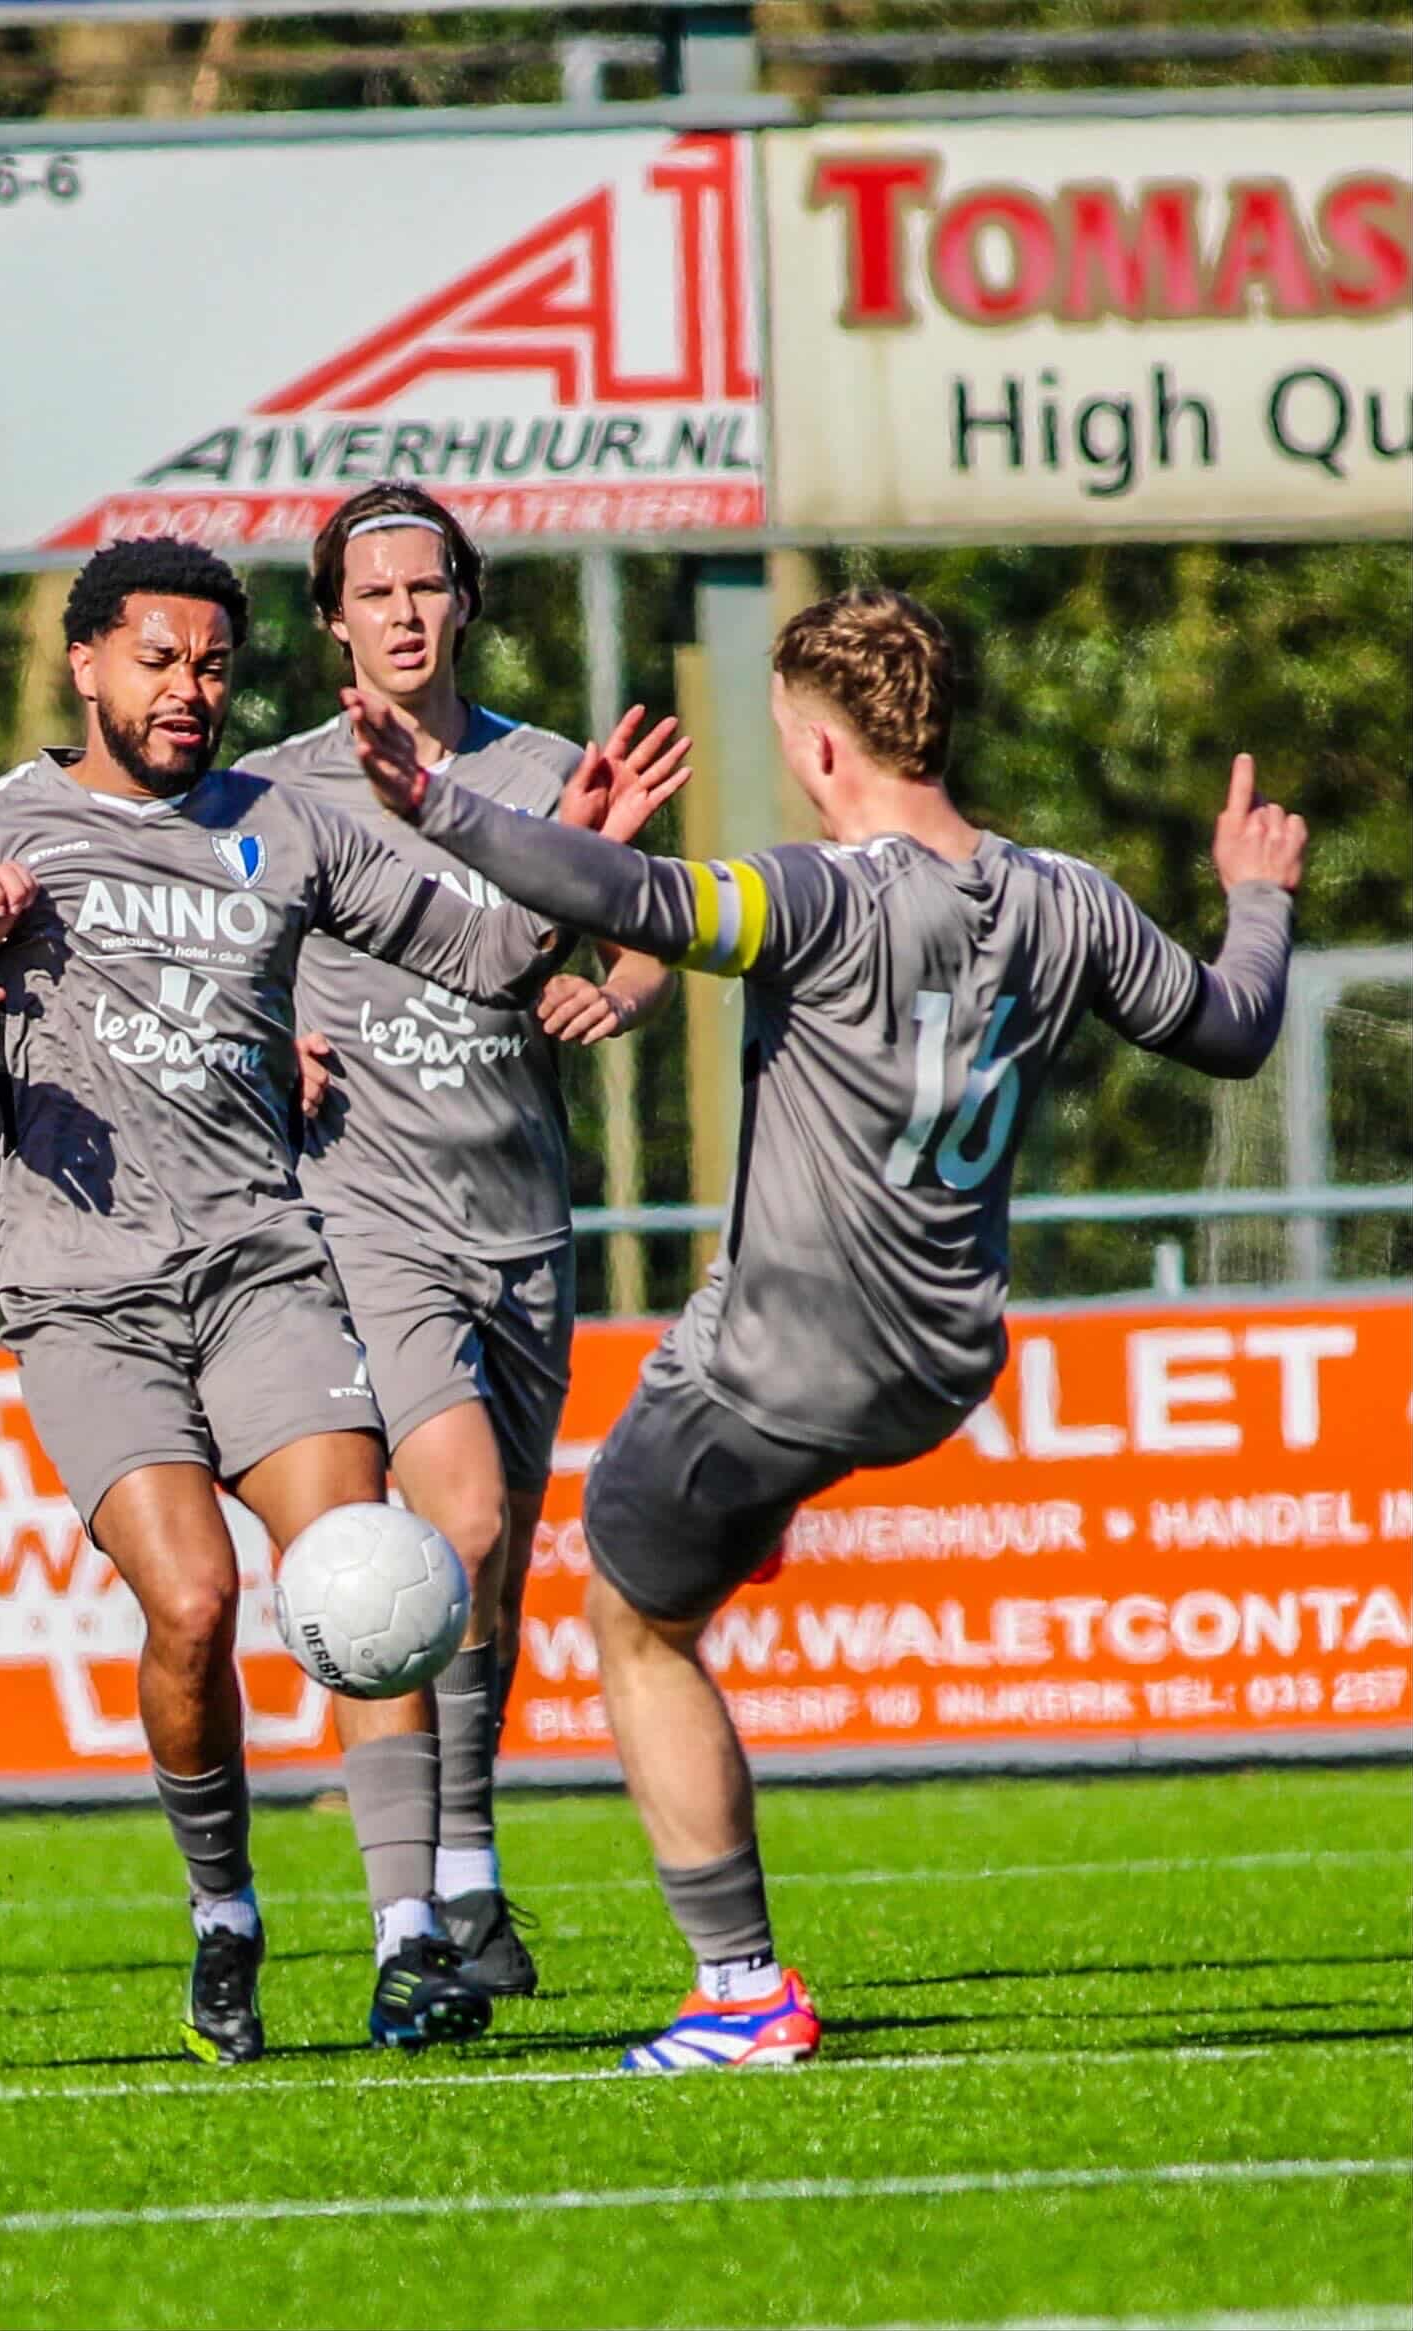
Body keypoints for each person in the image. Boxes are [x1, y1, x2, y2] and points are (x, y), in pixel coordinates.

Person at [350, 585, 1298, 2071]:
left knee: (626, 1607)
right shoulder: (1068, 896)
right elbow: (1230, 1027)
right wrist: (1254, 892)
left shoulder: (817, 894)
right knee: (698, 1507)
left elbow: (641, 906)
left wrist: (440, 806)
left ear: (811, 744)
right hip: (938, 1361)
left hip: (781, 1359)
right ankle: (759, 1505)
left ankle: (738, 1989)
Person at [0, 537, 640, 2064]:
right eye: (157, 660)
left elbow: (480, 951)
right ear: (84, 665)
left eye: (210, 665)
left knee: (362, 1565)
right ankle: (223, 1911)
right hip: (86, 1294)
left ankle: (409, 1938)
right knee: (193, 1602)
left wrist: (568, 864)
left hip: (264, 1263)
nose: (189, 691)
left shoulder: (285, 825)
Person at [237, 482, 682, 1998]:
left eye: (426, 586)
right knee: (444, 1529)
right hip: (362, 1208)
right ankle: (404, 1915)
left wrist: (616, 991)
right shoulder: (269, 791)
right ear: (331, 618)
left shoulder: (549, 768)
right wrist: (270, 1032)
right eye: (372, 593)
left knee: (479, 1571)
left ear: (464, 599)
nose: (403, 612)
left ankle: (467, 1878)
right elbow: (216, 955)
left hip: (518, 1212)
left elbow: (645, 926)